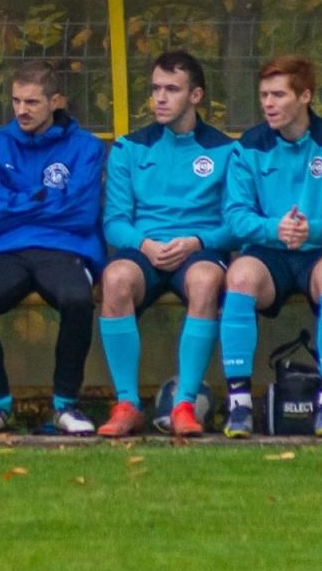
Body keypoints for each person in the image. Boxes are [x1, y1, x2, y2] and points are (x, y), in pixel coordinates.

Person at [0, 60, 106, 435]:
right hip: (7, 250)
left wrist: (21, 201)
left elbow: (82, 213)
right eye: (16, 100)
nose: (22, 110)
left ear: (55, 101)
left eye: (32, 102)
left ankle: (64, 405)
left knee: (77, 300)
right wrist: (48, 198)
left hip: (67, 248)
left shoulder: (86, 147)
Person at [96, 52, 236, 438]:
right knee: (115, 278)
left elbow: (235, 224)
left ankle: (185, 404)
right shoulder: (129, 148)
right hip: (145, 251)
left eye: (171, 89)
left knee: (207, 281)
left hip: (198, 251)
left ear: (196, 96)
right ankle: (127, 403)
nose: (160, 97)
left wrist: (197, 241)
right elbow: (115, 223)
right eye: (156, 88)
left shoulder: (226, 151)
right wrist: (144, 244)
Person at [219, 55, 322, 437]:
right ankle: (239, 406)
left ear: (305, 96)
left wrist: (312, 229)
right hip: (269, 250)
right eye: (264, 95)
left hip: (320, 248)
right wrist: (273, 229)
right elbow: (235, 215)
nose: (268, 104)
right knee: (240, 277)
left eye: (278, 94)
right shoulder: (249, 146)